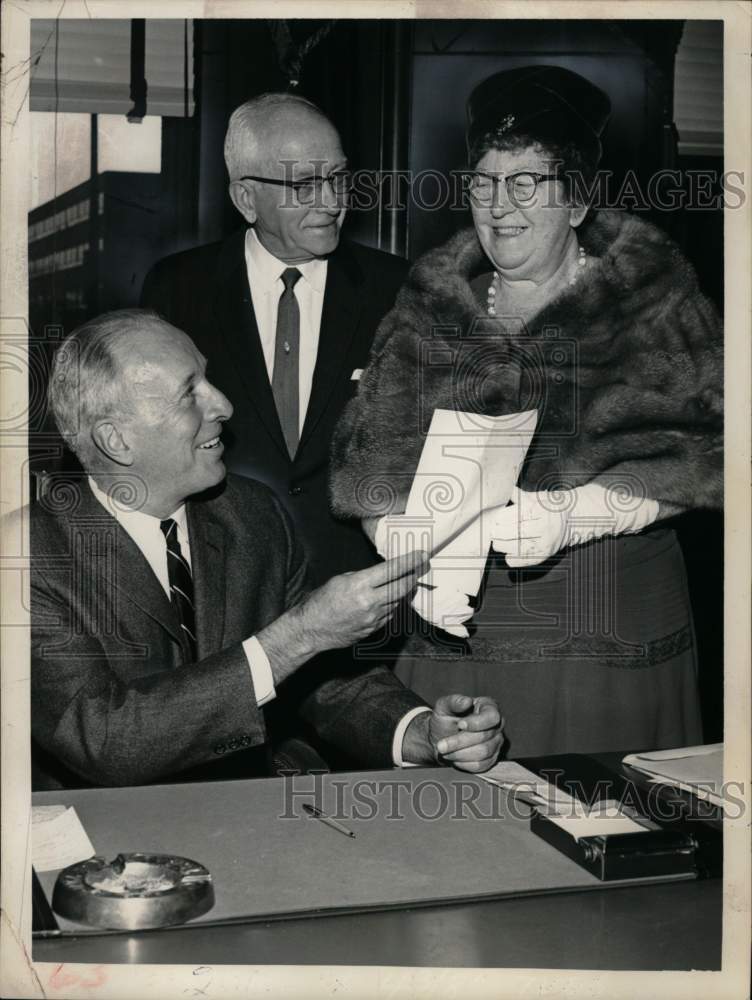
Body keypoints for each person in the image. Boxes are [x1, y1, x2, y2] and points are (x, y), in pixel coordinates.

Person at [330, 65, 723, 759]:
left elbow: (708, 452)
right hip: (455, 631)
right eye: (483, 183)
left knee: (594, 831)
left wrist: (582, 514)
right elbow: (369, 451)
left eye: (525, 183)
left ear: (576, 202)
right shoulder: (431, 301)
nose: (498, 205)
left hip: (605, 632)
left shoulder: (653, 299)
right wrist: (395, 535)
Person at [24, 309, 504, 789]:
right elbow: (105, 742)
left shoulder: (250, 513)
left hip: (244, 817)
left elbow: (320, 677)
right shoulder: (33, 557)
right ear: (116, 440)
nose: (224, 405)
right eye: (189, 393)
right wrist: (297, 634)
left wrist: (420, 732)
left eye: (206, 378)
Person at [141, 92, 408, 587]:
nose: (331, 201)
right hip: (225, 585)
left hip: (361, 591)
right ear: (246, 198)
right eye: (304, 184)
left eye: (338, 177)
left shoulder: (398, 290)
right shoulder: (177, 289)